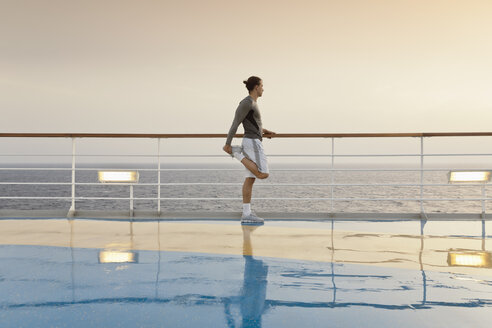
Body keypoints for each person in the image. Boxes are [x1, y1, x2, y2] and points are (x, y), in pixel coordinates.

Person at [223, 76, 275, 225]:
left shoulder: (252, 103)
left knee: (250, 179)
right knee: (263, 173)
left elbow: (253, 124)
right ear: (256, 87)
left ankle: (246, 214)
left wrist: (264, 131)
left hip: (254, 139)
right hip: (252, 143)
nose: (263, 89)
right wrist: (228, 145)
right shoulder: (246, 103)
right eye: (262, 86)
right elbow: (235, 123)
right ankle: (237, 153)